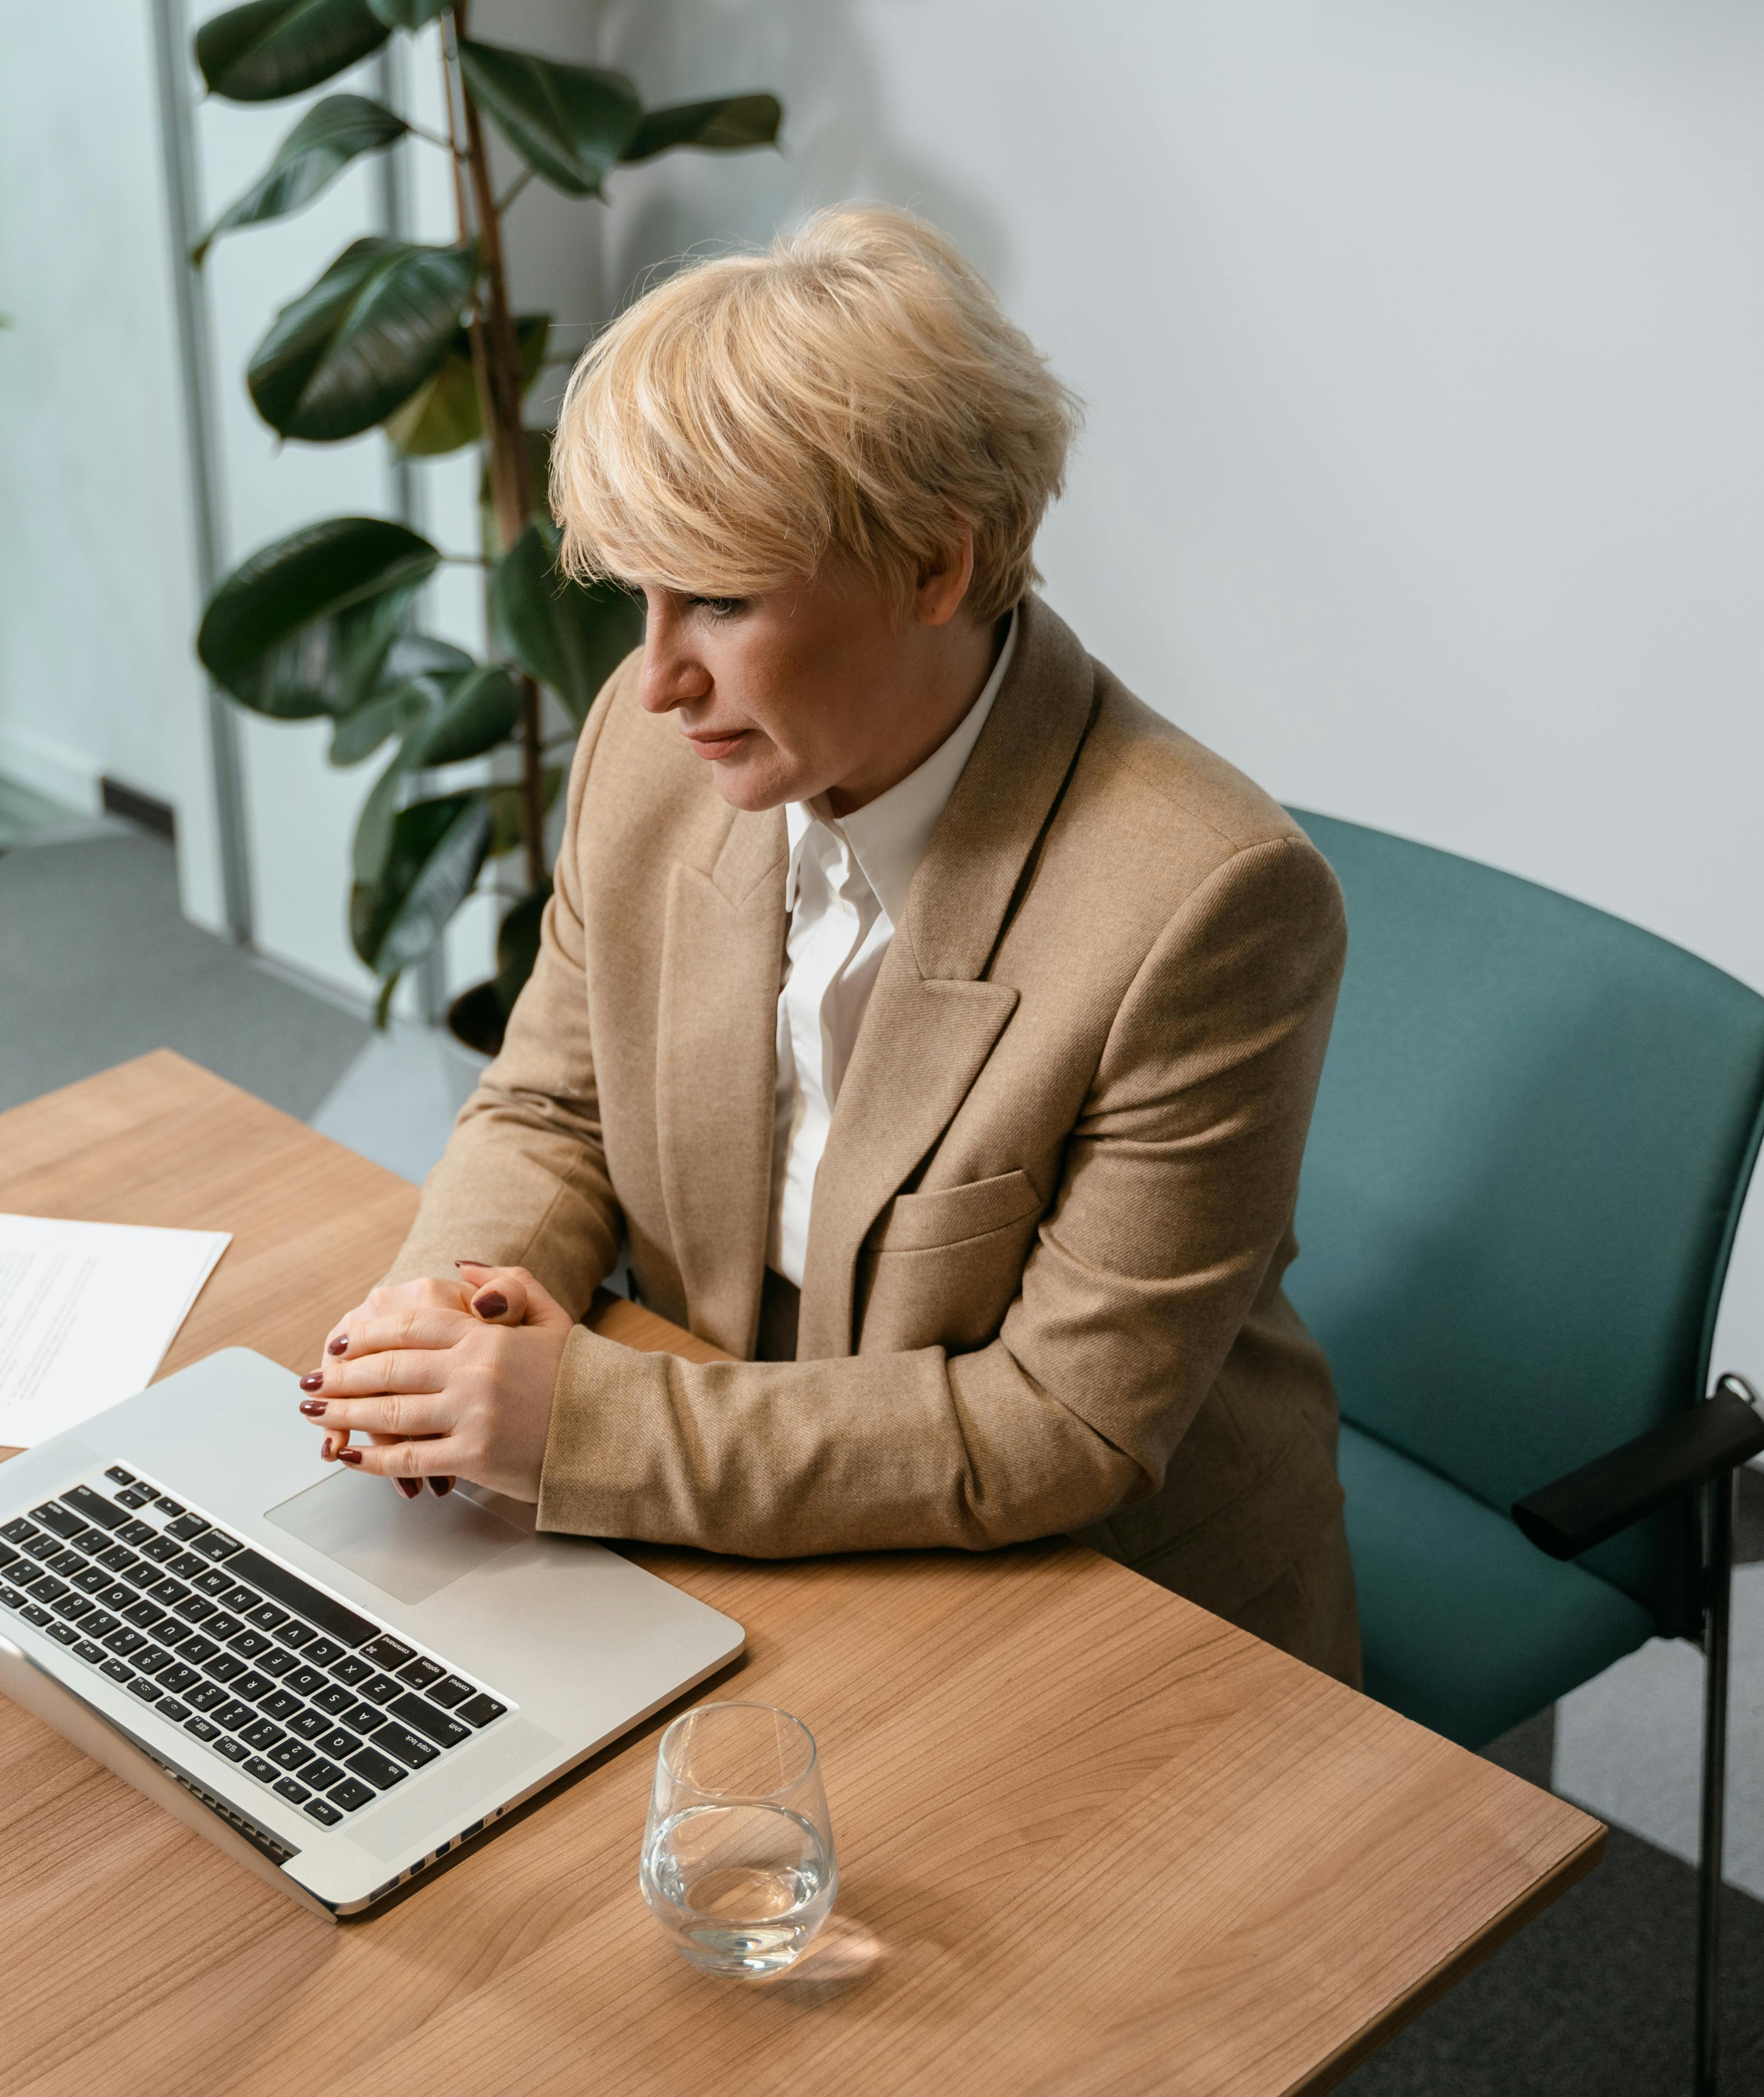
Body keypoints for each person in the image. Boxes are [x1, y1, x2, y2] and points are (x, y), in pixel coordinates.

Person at [300, 204, 1359, 1678]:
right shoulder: (652, 748)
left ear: (935, 566)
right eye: (640, 596)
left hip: (1093, 1603)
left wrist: (575, 1421)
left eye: (721, 601)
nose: (656, 679)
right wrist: (448, 1322)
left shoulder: (1209, 902)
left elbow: (1066, 1424)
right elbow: (553, 1105)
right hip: (732, 1486)